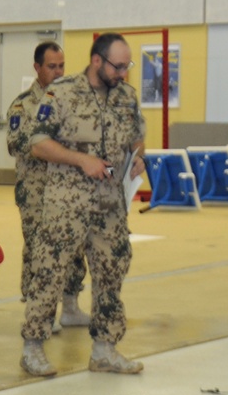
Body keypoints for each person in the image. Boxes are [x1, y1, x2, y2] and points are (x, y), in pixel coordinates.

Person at [19, 33, 146, 377]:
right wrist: (80, 160)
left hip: (110, 205)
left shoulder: (126, 97)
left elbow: (137, 135)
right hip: (66, 204)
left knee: (111, 272)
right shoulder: (61, 93)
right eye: (118, 66)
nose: (123, 73)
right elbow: (38, 144)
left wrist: (139, 158)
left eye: (127, 66)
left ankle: (105, 349)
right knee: (49, 273)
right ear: (96, 61)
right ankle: (33, 348)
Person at [5, 41, 89, 331]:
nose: (58, 71)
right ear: (37, 67)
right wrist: (53, 145)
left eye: (61, 65)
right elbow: (17, 143)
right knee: (40, 250)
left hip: (70, 191)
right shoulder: (23, 104)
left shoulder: (72, 101)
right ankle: (40, 314)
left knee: (73, 247)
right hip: (36, 192)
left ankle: (70, 307)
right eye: (51, 66)